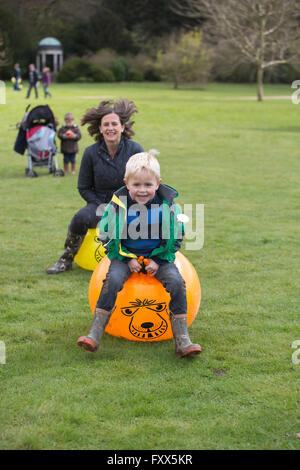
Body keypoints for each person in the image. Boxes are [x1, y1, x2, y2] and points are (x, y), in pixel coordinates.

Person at [77, 151, 202, 358]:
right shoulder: (117, 206)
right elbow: (106, 235)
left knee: (177, 282)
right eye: (136, 185)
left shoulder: (168, 206)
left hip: (159, 258)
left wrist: (158, 260)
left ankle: (182, 341)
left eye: (147, 185)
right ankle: (94, 334)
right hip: (124, 256)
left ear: (158, 183)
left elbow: (177, 235)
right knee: (112, 280)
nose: (142, 190)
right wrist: (127, 259)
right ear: (127, 183)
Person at [46, 98, 143, 274]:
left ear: (122, 127)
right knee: (79, 218)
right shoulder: (91, 152)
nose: (110, 128)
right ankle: (67, 258)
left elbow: (143, 183)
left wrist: (126, 205)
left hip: (129, 203)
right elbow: (83, 187)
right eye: (106, 124)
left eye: (114, 124)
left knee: (142, 222)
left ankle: (142, 260)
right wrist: (101, 206)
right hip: (98, 202)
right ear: (100, 128)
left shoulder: (135, 150)